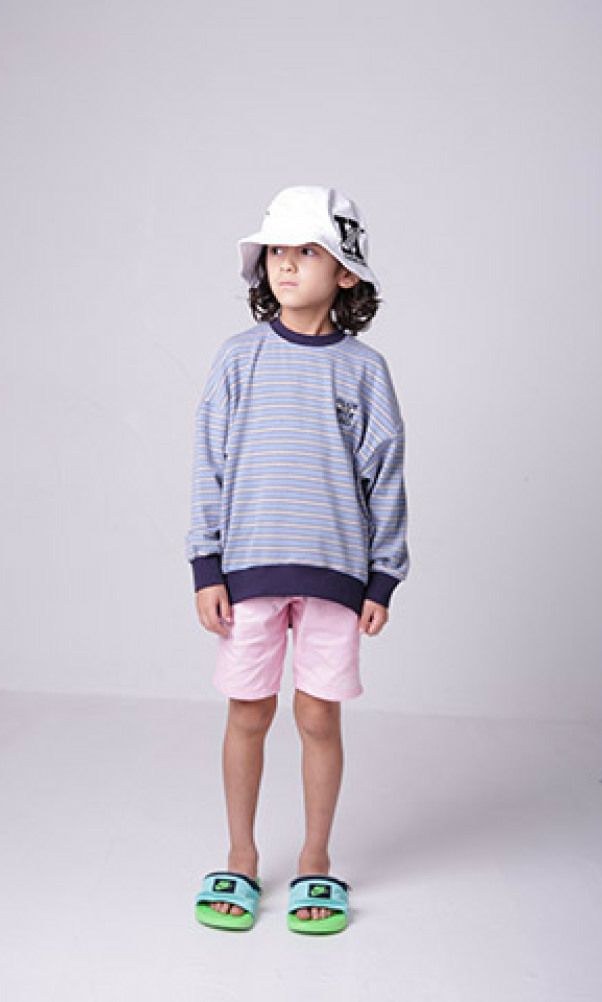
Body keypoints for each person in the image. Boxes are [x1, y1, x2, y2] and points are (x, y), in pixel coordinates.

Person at [187, 185, 410, 934]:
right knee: (248, 712)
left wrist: (383, 576)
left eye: (306, 251)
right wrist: (206, 565)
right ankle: (241, 855)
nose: (285, 264)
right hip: (248, 572)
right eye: (276, 251)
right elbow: (209, 465)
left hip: (336, 576)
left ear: (345, 271)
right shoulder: (238, 359)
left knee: (317, 716)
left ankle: (316, 858)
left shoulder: (364, 370)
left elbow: (386, 475)